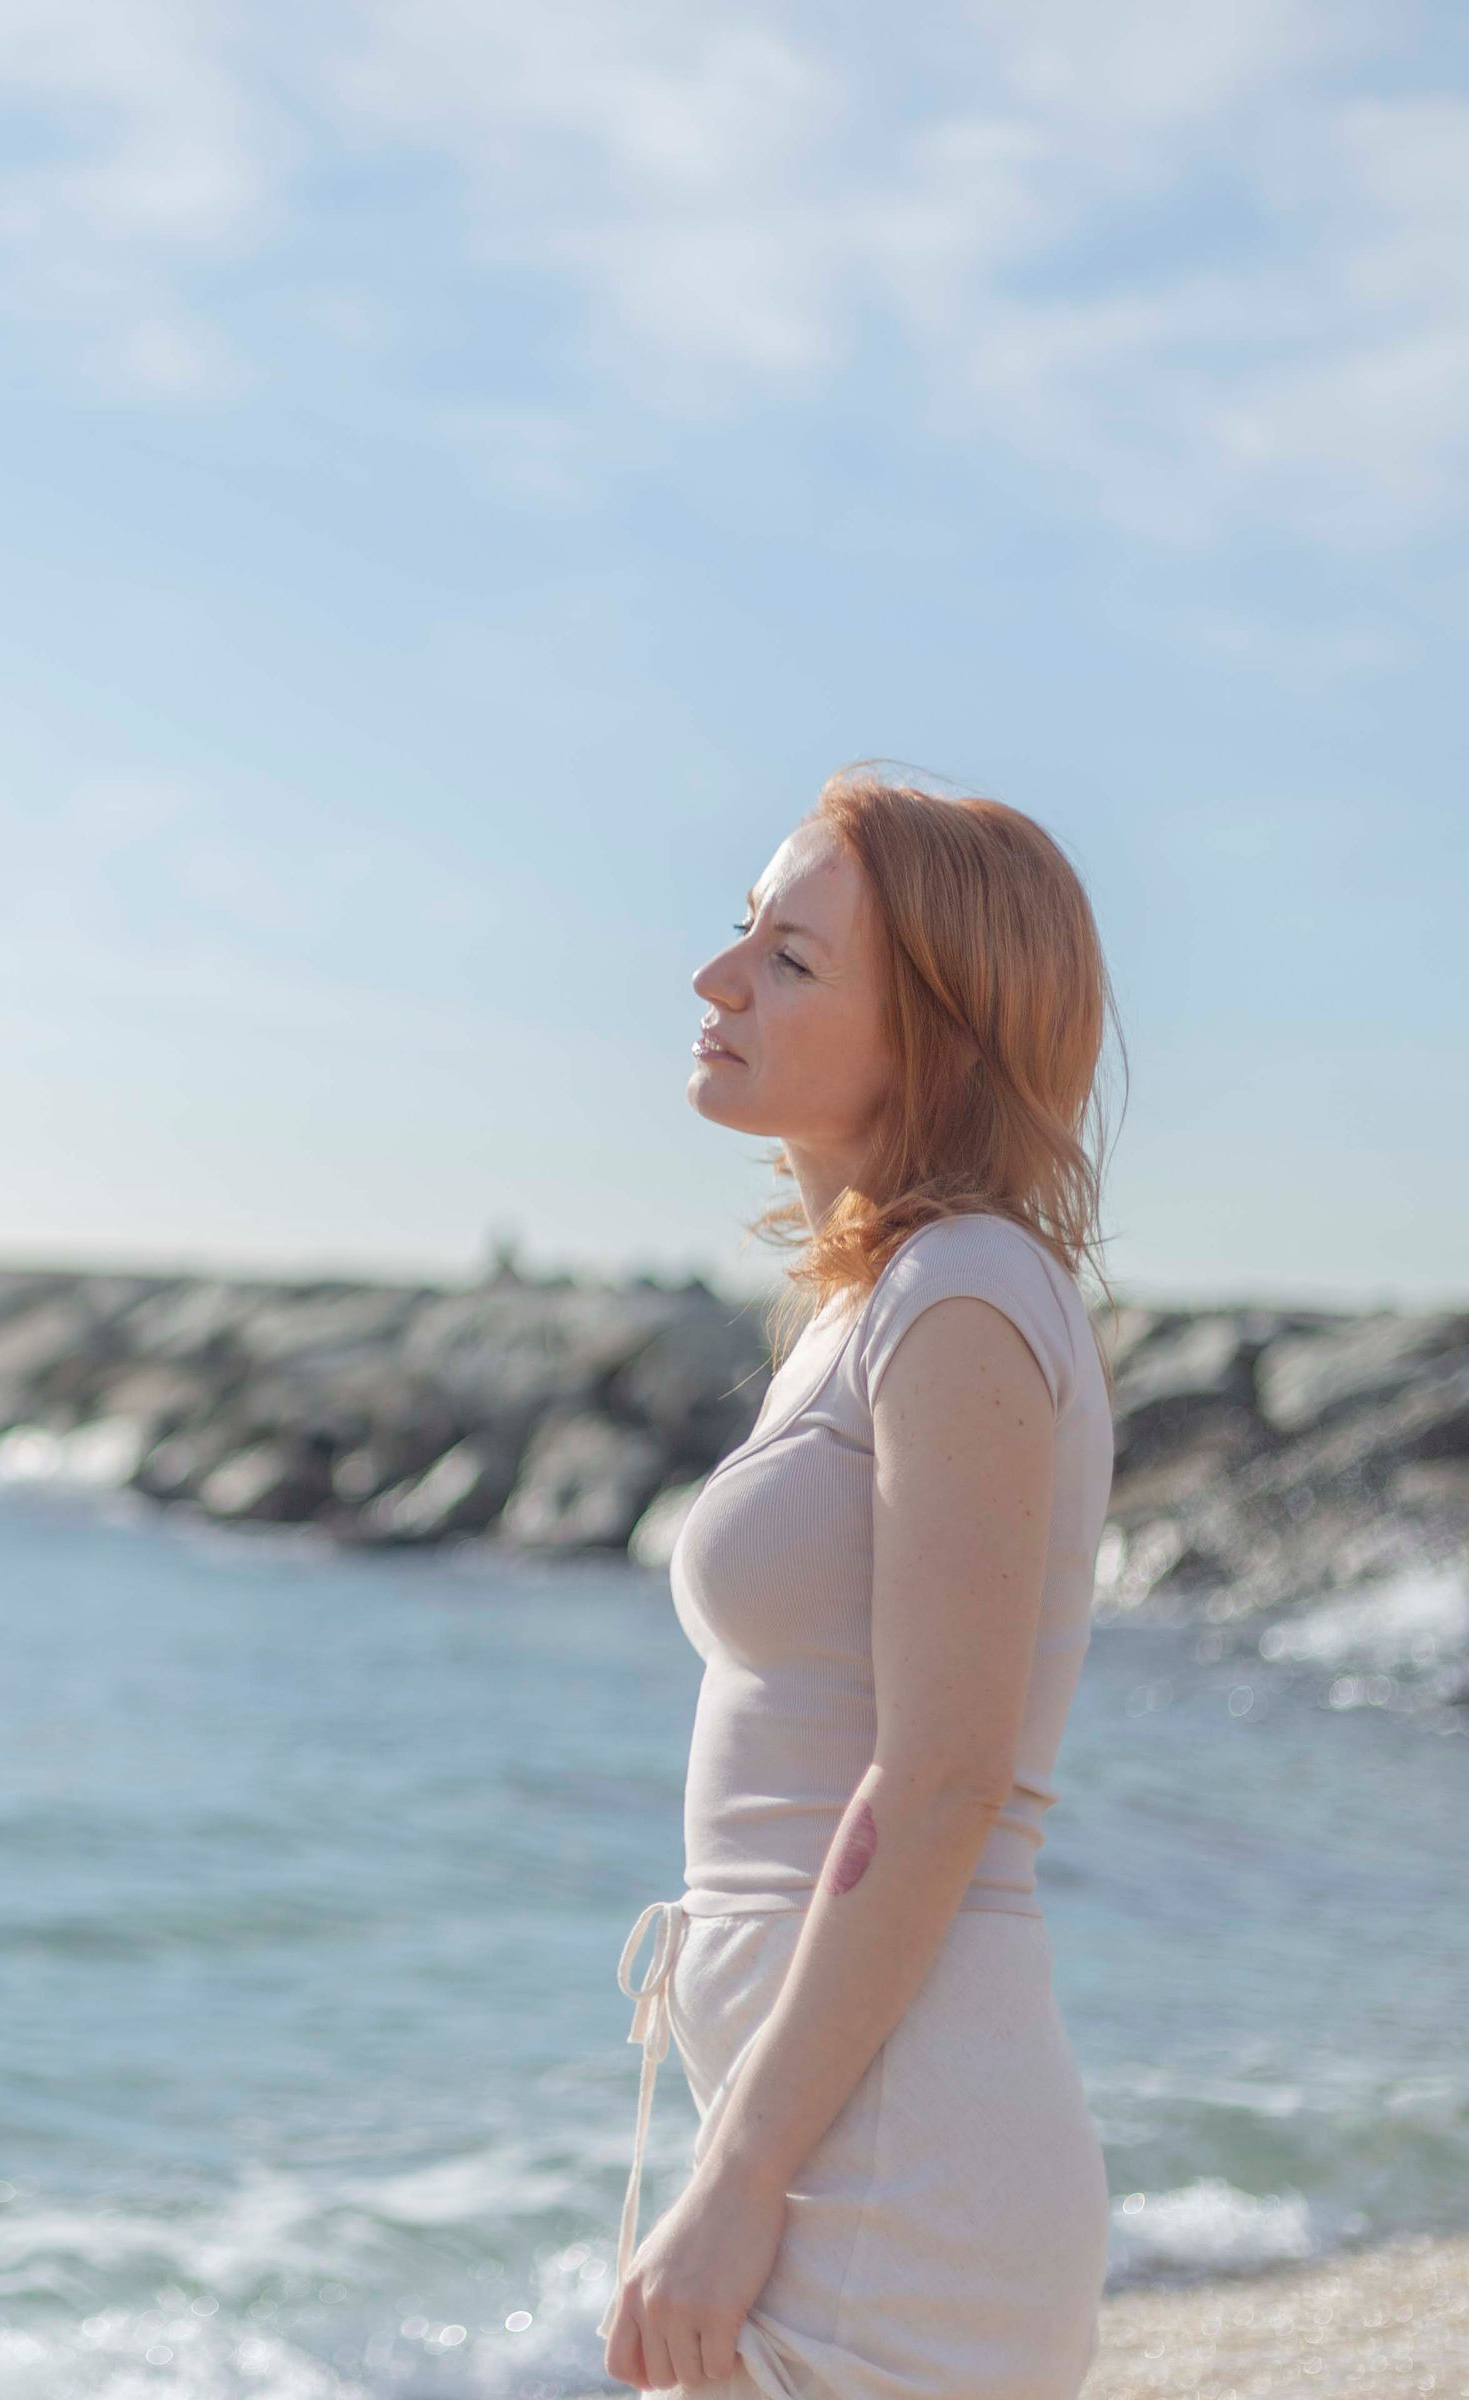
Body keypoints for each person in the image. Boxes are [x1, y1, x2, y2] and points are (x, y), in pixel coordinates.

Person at [597, 768, 1118, 2399]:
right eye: (741, 931)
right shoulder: (883, 1297)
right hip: (849, 2128)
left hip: (896, 2169)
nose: (720, 978)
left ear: (942, 1040)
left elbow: (948, 1773)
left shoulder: (964, 1289)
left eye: (794, 960)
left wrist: (738, 2184)